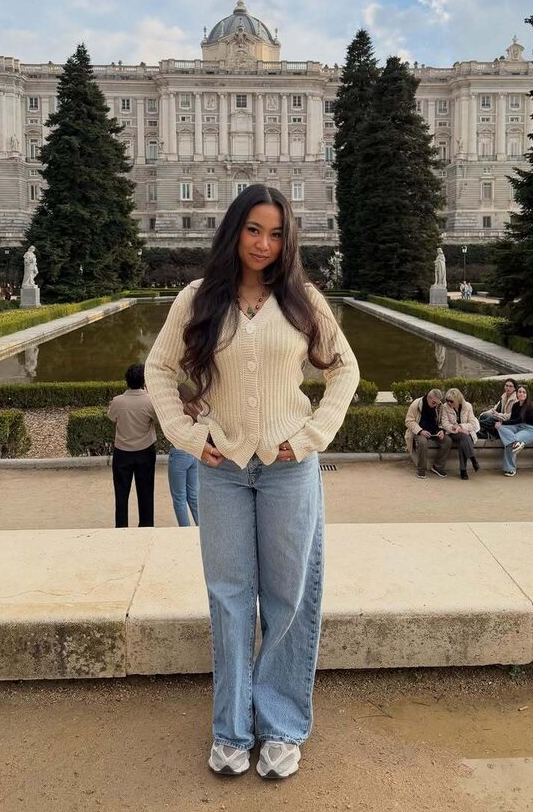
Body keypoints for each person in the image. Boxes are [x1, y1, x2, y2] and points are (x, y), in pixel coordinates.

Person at [145, 183, 359, 781]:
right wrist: (186, 436)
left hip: (290, 466)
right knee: (230, 597)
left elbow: (345, 368)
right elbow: (160, 368)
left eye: (276, 233)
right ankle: (233, 729)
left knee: (290, 597)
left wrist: (314, 434)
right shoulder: (197, 298)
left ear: (288, 240)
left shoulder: (303, 299)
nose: (263, 244)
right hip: (224, 469)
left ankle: (282, 725)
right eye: (253, 230)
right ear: (235, 230)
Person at [106, 363, 157, 527]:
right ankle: (146, 528)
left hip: (122, 453)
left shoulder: (118, 401)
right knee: (146, 494)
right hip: (145, 452)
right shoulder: (150, 401)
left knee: (121, 495)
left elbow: (111, 417)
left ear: (127, 380)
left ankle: (122, 529)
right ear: (144, 381)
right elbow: (158, 419)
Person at [167, 391, 200, 526]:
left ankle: (185, 529)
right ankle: (200, 527)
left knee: (179, 498)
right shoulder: (195, 407)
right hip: (194, 451)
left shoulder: (176, 411)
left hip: (179, 452)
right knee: (193, 495)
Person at [404, 388, 451, 479]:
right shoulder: (416, 404)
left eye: (437, 403)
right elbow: (408, 421)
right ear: (428, 398)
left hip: (435, 432)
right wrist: (421, 431)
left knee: (447, 441)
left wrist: (441, 430)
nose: (435, 405)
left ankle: (437, 466)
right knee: (423, 442)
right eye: (433, 403)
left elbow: (442, 421)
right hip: (419, 432)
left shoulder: (439, 405)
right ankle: (421, 469)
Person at [495, 385, 533, 476]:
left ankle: (510, 469)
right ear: (517, 394)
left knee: (510, 442)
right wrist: (501, 424)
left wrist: (503, 422)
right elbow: (513, 421)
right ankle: (518, 443)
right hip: (517, 427)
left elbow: (520, 420)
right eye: (519, 392)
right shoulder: (515, 405)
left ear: (527, 394)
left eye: (524, 392)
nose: (521, 394)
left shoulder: (530, 407)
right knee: (499, 427)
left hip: (530, 430)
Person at [440, 387, 480, 479]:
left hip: (466, 432)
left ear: (458, 400)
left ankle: (463, 470)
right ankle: (473, 459)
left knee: (464, 440)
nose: (449, 403)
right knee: (464, 437)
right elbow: (445, 424)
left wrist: (461, 427)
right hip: (452, 432)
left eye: (451, 401)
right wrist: (458, 429)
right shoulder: (445, 407)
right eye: (447, 400)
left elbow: (472, 424)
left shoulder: (468, 406)